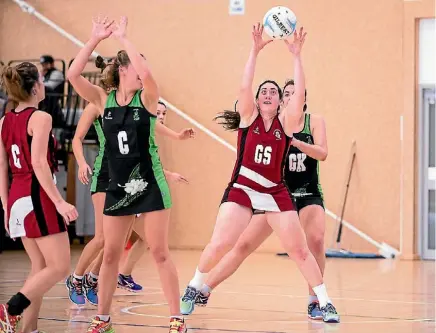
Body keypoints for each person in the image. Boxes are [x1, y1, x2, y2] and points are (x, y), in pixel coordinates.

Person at [180, 24, 339, 323]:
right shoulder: (248, 116)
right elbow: (244, 85)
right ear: (256, 99)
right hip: (242, 188)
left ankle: (325, 302)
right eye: (263, 91)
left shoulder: (288, 124)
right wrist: (254, 50)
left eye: (273, 92)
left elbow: (300, 93)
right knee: (222, 243)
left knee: (301, 250)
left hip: (276, 193)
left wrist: (297, 56)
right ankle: (194, 286)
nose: (268, 94)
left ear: (282, 102)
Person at [67, 15, 189, 332]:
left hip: (150, 184)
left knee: (160, 252)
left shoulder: (147, 100)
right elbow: (73, 74)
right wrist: (94, 38)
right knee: (109, 254)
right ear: (123, 70)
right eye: (134, 65)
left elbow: (147, 74)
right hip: (119, 187)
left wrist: (123, 38)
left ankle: (176, 318)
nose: (142, 70)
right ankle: (103, 318)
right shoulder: (101, 99)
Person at [191, 79, 330, 320]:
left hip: (307, 193)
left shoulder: (312, 122)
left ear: (303, 99)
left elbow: (323, 153)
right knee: (243, 245)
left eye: (294, 94)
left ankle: (315, 300)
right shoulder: (274, 123)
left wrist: (295, 142)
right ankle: (205, 288)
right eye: (285, 94)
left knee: (315, 241)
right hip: (276, 194)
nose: (288, 98)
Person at [0, 62, 78, 333]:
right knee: (60, 267)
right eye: (42, 82)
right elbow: (38, 163)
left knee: (40, 267)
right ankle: (11, 308)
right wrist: (59, 201)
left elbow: (2, 167)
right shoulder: (41, 118)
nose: (44, 86)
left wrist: (5, 206)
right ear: (34, 88)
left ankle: (28, 330)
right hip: (37, 196)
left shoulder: (4, 121)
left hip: (16, 197)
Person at [117, 100, 189, 292]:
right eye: (157, 113)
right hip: (132, 191)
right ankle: (88, 278)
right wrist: (170, 175)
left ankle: (122, 275)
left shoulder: (150, 135)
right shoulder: (139, 133)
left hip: (142, 190)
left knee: (145, 238)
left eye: (164, 114)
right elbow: (142, 165)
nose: (161, 117)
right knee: (114, 240)